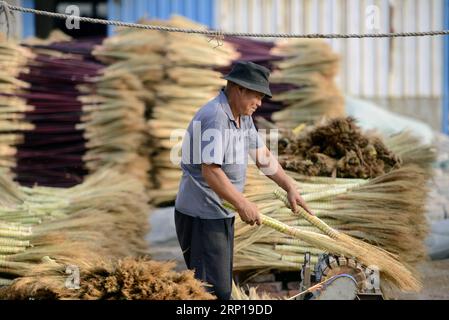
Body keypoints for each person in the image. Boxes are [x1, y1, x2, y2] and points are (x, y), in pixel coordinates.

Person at [174, 61, 313, 300]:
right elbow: (211, 171)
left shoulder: (242, 116)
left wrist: (289, 185)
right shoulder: (216, 117)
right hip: (202, 217)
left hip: (219, 213)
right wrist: (242, 203)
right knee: (212, 292)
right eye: (257, 96)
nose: (259, 103)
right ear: (239, 89)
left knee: (219, 288)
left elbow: (262, 156)